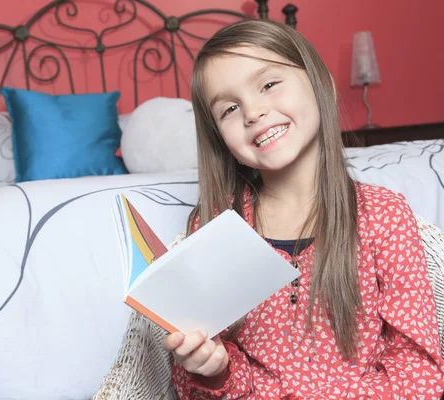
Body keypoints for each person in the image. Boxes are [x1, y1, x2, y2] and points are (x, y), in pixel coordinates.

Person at [162, 18, 444, 399]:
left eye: (268, 84)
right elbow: (193, 385)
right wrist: (213, 370)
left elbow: (418, 371)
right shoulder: (217, 229)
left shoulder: (383, 215)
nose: (253, 112)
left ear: (320, 83)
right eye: (229, 108)